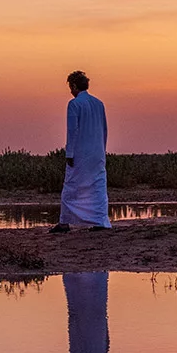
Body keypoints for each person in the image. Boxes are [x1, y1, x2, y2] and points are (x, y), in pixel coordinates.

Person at [53, 70, 110, 232]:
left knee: (71, 185)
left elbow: (72, 130)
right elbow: (104, 129)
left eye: (70, 87)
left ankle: (65, 222)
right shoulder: (99, 103)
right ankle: (100, 221)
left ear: (74, 86)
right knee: (98, 186)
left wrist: (69, 153)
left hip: (80, 153)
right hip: (97, 152)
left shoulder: (74, 104)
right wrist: (102, 149)